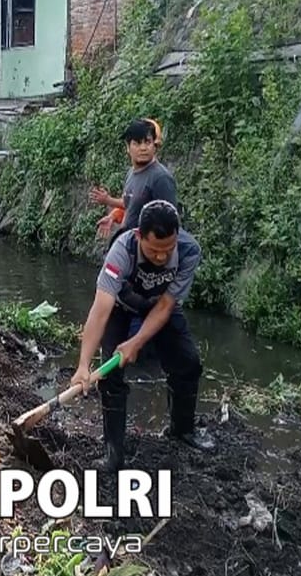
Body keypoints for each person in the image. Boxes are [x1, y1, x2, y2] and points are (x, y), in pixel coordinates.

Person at [70, 200, 215, 474]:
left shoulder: (188, 250)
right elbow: (100, 309)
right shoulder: (121, 252)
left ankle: (181, 430)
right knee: (111, 375)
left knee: (189, 363)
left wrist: (136, 343)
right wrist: (82, 365)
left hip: (160, 306)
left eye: (166, 250)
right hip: (120, 307)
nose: (161, 257)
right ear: (139, 235)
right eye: (154, 250)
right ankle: (113, 453)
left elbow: (165, 306)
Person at [91, 118, 175, 243]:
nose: (143, 148)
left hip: (149, 251)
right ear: (128, 147)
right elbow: (131, 203)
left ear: (154, 146)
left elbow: (170, 222)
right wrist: (112, 216)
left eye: (147, 142)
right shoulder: (131, 173)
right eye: (137, 143)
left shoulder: (160, 178)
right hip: (129, 245)